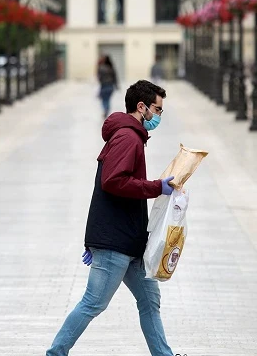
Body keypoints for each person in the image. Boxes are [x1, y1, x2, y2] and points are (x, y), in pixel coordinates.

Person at [46, 79, 175, 356]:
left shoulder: (130, 135)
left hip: (130, 241)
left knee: (149, 301)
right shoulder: (128, 138)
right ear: (141, 107)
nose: (159, 116)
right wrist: (156, 187)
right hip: (116, 242)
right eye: (158, 109)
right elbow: (112, 182)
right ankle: (56, 352)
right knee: (93, 303)